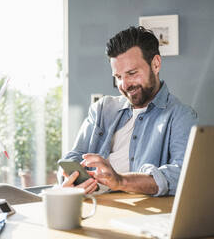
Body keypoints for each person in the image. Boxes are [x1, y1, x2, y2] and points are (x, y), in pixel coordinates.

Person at [60, 26, 198, 196]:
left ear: (155, 64)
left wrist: (120, 181)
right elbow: (74, 157)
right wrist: (70, 180)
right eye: (118, 77)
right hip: (91, 203)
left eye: (132, 73)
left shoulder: (180, 116)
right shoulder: (102, 109)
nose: (124, 85)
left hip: (139, 214)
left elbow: (182, 175)